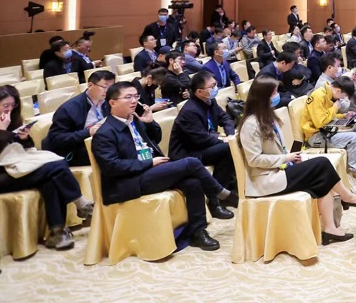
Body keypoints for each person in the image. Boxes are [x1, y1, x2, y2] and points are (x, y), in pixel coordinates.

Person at [91, 81, 235, 251]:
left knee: (193, 183)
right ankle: (220, 193)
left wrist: (150, 123)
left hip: (149, 171)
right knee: (192, 162)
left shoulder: (134, 120)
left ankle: (198, 232)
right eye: (128, 97)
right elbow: (112, 166)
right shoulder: (105, 133)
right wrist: (149, 163)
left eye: (136, 96)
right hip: (129, 181)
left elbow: (155, 140)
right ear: (112, 102)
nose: (134, 101)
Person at [238, 75, 356, 245]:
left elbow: (279, 148)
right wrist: (286, 158)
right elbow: (254, 160)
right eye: (274, 93)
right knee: (322, 164)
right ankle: (347, 197)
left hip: (280, 168)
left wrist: (291, 158)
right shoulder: (251, 124)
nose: (278, 96)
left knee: (323, 178)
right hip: (266, 179)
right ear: (263, 97)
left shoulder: (268, 117)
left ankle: (330, 228)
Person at [0, 85, 94, 250]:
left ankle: (57, 232)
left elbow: (23, 150)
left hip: (16, 166)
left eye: (13, 105)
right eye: (5, 106)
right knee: (57, 167)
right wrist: (3, 132)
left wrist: (24, 139)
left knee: (51, 179)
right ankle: (82, 205)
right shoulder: (3, 124)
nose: (9, 109)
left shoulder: (11, 119)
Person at [168, 71, 237, 216]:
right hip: (187, 153)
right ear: (199, 91)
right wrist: (222, 139)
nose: (215, 88)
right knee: (226, 148)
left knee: (231, 146)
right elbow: (201, 139)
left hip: (202, 147)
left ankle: (225, 191)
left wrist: (230, 135)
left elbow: (225, 118)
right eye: (212, 86)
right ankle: (215, 201)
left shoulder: (210, 101)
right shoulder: (190, 111)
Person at [42, 70, 120, 166]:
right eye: (104, 87)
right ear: (90, 85)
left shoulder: (108, 102)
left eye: (111, 87)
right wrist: (88, 132)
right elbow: (56, 138)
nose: (108, 91)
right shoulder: (69, 108)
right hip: (77, 149)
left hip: (103, 141)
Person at [301, 75, 356, 180]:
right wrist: (335, 108)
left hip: (327, 128)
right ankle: (354, 173)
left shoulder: (328, 93)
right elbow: (320, 123)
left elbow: (327, 116)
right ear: (338, 90)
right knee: (354, 137)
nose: (342, 99)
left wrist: (343, 116)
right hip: (316, 136)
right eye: (343, 96)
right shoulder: (318, 96)